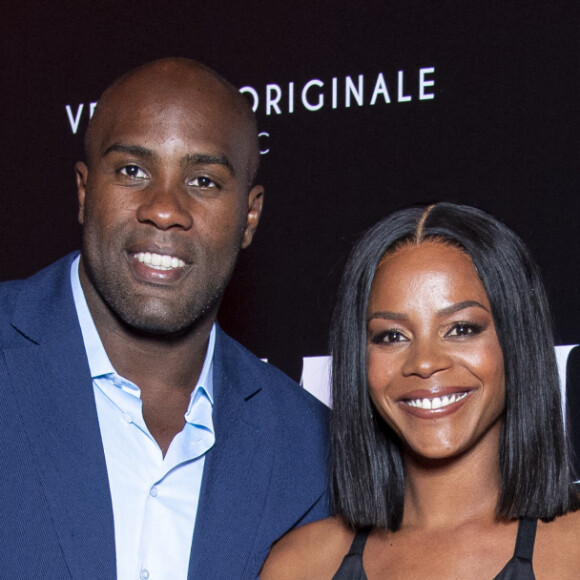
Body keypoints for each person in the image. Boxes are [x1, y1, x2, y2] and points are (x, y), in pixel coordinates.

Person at [0, 58, 329, 579]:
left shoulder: (309, 450)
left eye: (202, 180)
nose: (164, 208)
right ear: (85, 192)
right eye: (133, 171)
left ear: (250, 216)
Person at [261, 202, 580, 579]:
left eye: (461, 329)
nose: (425, 362)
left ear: (517, 341)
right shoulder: (301, 565)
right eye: (392, 336)